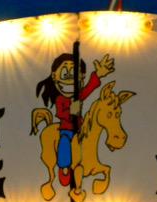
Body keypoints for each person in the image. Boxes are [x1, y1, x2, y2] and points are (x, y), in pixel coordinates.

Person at [34, 53, 115, 185]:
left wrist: (98, 75)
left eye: (74, 74)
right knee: (65, 142)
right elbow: (61, 114)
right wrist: (72, 111)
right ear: (55, 76)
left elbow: (89, 88)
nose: (70, 79)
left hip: (80, 128)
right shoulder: (61, 99)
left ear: (82, 77)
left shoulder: (78, 95)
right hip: (66, 128)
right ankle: (64, 166)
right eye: (65, 74)